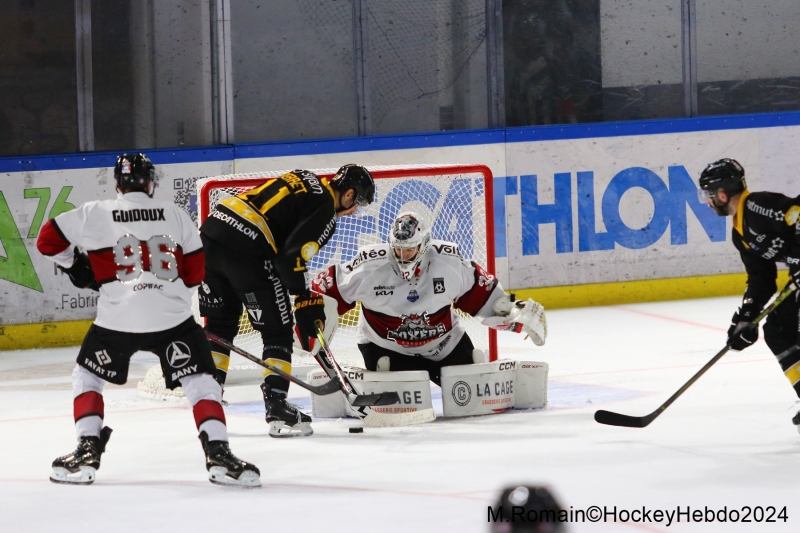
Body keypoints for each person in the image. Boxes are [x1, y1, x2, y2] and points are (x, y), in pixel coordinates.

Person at [36, 153, 260, 486]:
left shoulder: (94, 212)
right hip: (173, 320)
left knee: (86, 376)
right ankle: (219, 454)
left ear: (117, 183)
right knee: (201, 383)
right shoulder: (176, 214)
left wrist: (73, 264)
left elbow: (46, 240)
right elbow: (196, 274)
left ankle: (87, 451)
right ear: (151, 182)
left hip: (117, 320)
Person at [199, 164, 375, 437]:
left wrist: (300, 293)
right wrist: (303, 298)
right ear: (349, 194)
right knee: (278, 331)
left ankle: (208, 396)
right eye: (358, 204)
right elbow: (288, 259)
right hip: (247, 247)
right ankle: (277, 405)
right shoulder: (326, 210)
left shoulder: (306, 177)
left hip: (211, 233)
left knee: (220, 325)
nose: (354, 212)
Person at [311, 212, 547, 384]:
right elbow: (325, 288)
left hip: (443, 344)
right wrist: (306, 309)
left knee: (472, 386)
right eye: (398, 249)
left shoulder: (449, 263)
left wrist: (514, 316)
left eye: (409, 249)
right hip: (386, 346)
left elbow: (487, 298)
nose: (403, 255)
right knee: (399, 396)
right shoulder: (369, 265)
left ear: (424, 244)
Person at [698, 158, 800, 432]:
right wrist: (746, 317)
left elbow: (799, 213)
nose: (707, 201)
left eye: (708, 194)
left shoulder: (757, 205)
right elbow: (761, 279)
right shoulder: (740, 233)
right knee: (779, 330)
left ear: (722, 193)